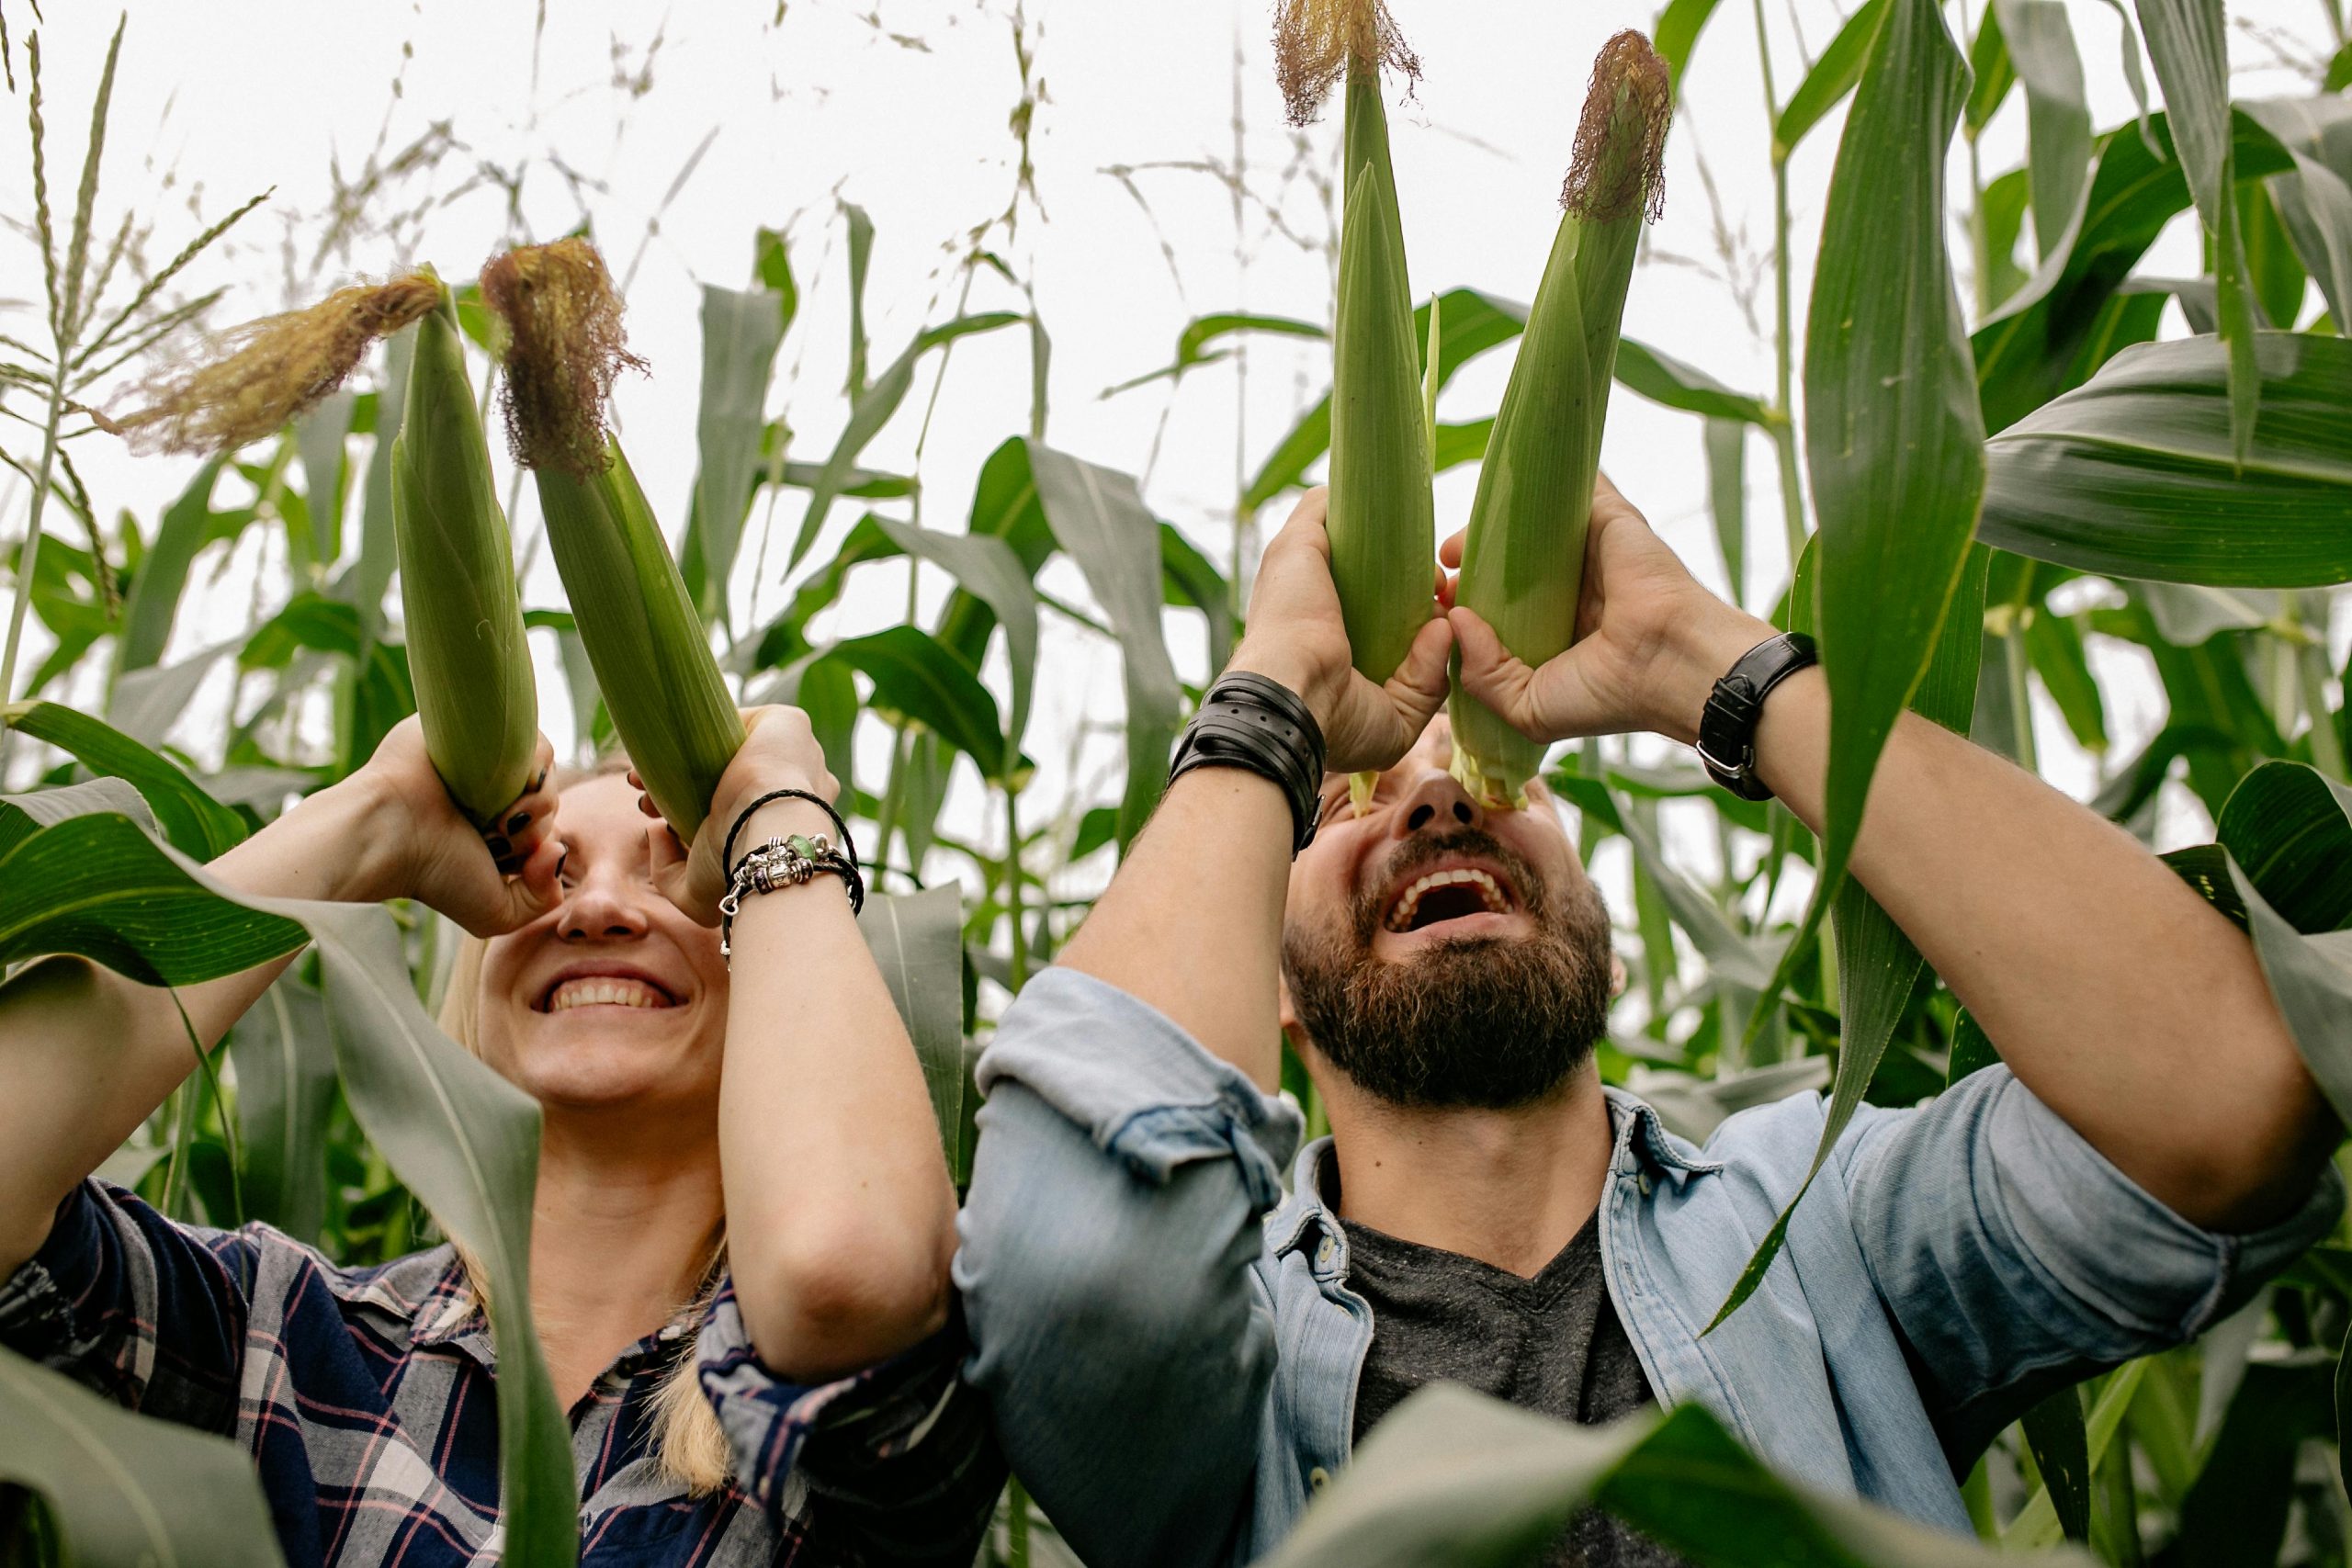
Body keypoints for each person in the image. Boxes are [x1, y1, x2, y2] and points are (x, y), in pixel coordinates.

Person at [955, 478, 2344, 1567]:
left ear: (1596, 905)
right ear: (1258, 983)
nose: (1437, 800)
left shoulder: (1822, 1220)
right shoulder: (1235, 1366)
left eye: (1502, 778)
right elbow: (1073, 1266)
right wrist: (1273, 703)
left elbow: (2234, 1090)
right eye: (1348, 804)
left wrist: (1706, 661)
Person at [0, 708, 999, 1566]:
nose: (600, 907)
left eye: (674, 874)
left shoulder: (801, 1425)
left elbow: (843, 1272)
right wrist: (376, 817)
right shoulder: (282, 1341)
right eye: (554, 871)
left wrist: (777, 816)